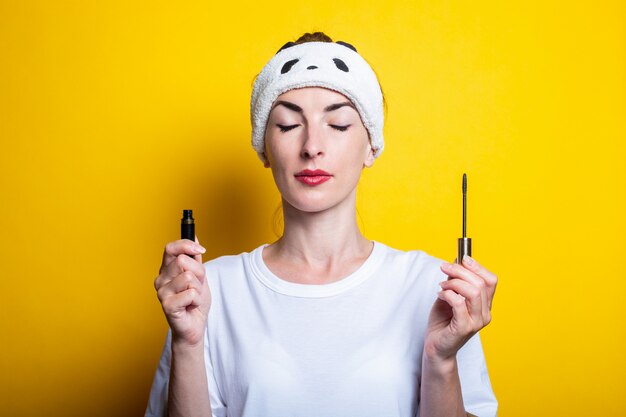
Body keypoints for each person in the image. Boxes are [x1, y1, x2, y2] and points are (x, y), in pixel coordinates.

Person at [145, 32, 498, 417]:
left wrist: (442, 360)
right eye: (287, 124)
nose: (312, 145)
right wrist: (188, 343)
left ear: (372, 146)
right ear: (264, 148)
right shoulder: (205, 292)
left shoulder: (435, 288)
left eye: (339, 124)